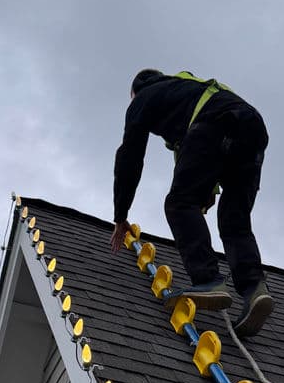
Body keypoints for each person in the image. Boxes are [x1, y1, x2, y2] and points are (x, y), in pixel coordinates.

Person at [110, 68, 274, 337]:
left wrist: (120, 215)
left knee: (178, 203)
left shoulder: (144, 97)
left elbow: (130, 156)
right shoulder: (187, 90)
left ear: (135, 93)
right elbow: (207, 152)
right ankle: (255, 287)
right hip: (253, 128)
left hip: (216, 123)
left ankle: (208, 280)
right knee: (235, 220)